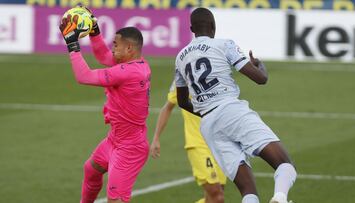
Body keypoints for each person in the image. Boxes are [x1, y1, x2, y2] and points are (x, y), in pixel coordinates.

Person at [174, 7, 297, 203]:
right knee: (284, 163)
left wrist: (206, 111)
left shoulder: (180, 57)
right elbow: (260, 79)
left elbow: (182, 101)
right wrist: (259, 66)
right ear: (214, 26)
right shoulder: (224, 45)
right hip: (231, 111)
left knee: (247, 189)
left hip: (209, 125)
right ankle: (280, 198)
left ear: (191, 28)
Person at [59, 12, 151, 203]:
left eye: (115, 45)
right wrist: (94, 32)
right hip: (115, 139)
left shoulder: (127, 72)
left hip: (129, 148)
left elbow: (83, 76)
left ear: (129, 47)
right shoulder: (138, 64)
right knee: (91, 170)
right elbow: (102, 55)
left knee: (115, 200)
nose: (112, 48)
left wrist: (72, 44)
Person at [150, 81, 226, 203]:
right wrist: (156, 138)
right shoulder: (183, 77)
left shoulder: (216, 72)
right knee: (217, 196)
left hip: (218, 144)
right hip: (198, 144)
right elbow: (168, 107)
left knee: (214, 196)